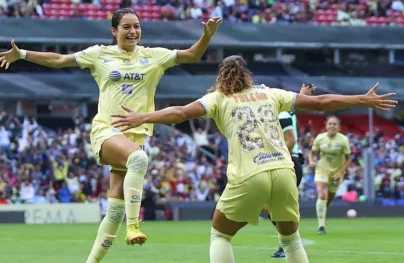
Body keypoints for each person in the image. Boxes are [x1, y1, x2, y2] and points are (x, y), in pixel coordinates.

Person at [110, 55, 396, 263]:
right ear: (247, 75)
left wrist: (144, 116)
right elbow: (321, 104)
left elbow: (181, 113)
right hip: (284, 171)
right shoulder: (269, 93)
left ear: (220, 78)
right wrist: (362, 99)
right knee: (291, 239)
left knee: (220, 235)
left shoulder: (217, 99)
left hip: (250, 173)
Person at [0, 8, 222, 263]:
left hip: (136, 135)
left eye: (136, 26)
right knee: (139, 160)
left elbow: (192, 55)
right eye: (126, 27)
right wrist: (22, 54)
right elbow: (58, 60)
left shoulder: (154, 56)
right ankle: (134, 225)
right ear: (114, 31)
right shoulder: (99, 53)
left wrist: (207, 36)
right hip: (106, 130)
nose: (133, 31)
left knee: (114, 209)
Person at [270, 83, 316, 259]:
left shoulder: (281, 114)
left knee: (276, 206)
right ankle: (288, 240)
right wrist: (301, 94)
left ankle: (289, 241)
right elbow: (293, 107)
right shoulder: (285, 113)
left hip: (288, 161)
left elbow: (290, 141)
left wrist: (275, 158)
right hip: (291, 161)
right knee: (274, 206)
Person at [308, 115, 351, 235]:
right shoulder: (320, 138)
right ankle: (321, 226)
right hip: (322, 169)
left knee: (328, 199)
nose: (332, 126)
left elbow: (348, 159)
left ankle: (321, 214)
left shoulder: (343, 140)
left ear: (339, 127)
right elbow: (312, 153)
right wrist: (311, 161)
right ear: (326, 125)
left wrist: (341, 172)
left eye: (335, 124)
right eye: (330, 124)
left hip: (337, 173)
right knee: (322, 194)